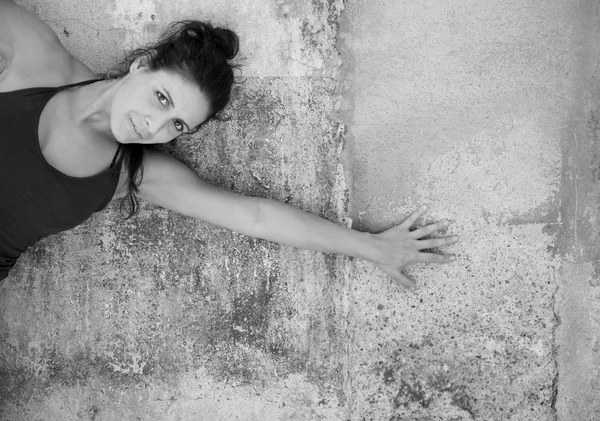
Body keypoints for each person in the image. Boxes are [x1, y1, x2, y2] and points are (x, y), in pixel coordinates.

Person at [0, 0, 458, 288]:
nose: (153, 126)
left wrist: (372, 247)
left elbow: (254, 215)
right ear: (141, 66)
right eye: (162, 97)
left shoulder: (130, 173)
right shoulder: (36, 59)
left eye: (176, 125)